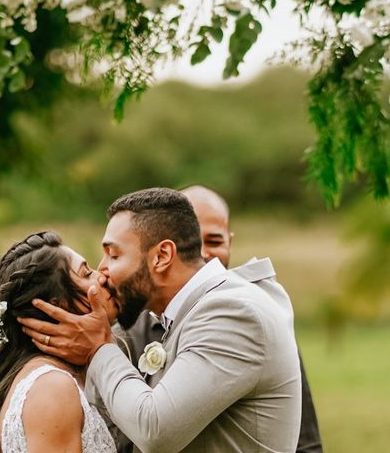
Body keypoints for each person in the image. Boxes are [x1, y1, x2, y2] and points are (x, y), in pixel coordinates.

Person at [19, 188, 302, 453]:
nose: (102, 270)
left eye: (113, 254)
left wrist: (99, 348)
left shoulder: (233, 313)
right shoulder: (191, 311)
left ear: (162, 256)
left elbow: (155, 431)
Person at [118, 185, 323, 453]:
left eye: (214, 242)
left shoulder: (247, 320)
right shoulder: (132, 327)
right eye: (192, 243)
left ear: (230, 240)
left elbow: (305, 440)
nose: (202, 254)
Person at [0, 231, 118, 453]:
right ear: (57, 305)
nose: (101, 276)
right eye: (86, 272)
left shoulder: (49, 378)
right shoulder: (53, 387)